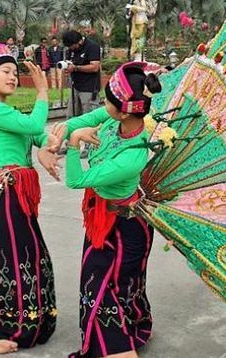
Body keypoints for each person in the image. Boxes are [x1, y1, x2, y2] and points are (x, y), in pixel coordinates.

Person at [49, 61, 161, 358]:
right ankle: (126, 335)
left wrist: (73, 145)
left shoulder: (134, 155)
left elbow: (77, 180)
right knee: (102, 279)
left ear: (126, 110)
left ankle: (120, 348)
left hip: (126, 227)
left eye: (110, 100)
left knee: (113, 283)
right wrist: (55, 138)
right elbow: (77, 122)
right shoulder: (115, 120)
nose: (104, 104)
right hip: (103, 217)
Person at [0, 43, 58, 354]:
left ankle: (29, 323)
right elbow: (36, 125)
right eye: (6, 72)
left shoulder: (8, 111)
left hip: (18, 193)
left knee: (33, 258)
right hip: (3, 193)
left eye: (14, 72)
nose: (12, 77)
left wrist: (48, 148)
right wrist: (43, 92)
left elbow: (39, 135)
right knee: (12, 261)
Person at [62, 30, 102, 117]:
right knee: (71, 116)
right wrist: (67, 68)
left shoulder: (92, 47)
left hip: (89, 88)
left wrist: (76, 68)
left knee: (89, 117)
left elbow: (95, 67)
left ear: (79, 41)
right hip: (75, 87)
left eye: (72, 46)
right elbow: (70, 63)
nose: (71, 48)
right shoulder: (71, 50)